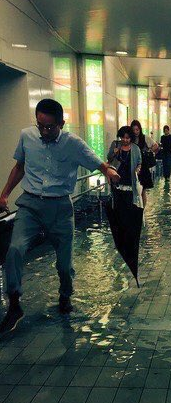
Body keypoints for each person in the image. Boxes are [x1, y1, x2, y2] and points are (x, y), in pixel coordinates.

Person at [0, 98, 120, 334]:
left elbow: (99, 164)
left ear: (61, 123)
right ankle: (14, 306)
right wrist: (4, 195)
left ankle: (65, 296)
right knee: (14, 251)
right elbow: (19, 167)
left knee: (64, 265)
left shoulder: (73, 143)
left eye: (50, 127)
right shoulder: (27, 136)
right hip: (31, 205)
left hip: (61, 209)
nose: (44, 131)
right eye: (40, 126)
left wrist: (109, 172)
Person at [107, 125, 143, 206]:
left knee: (129, 205)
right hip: (116, 181)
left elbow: (139, 162)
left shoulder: (136, 148)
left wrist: (138, 168)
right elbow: (109, 158)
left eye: (127, 138)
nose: (125, 140)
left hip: (130, 182)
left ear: (131, 138)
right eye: (122, 137)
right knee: (117, 205)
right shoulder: (115, 144)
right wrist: (114, 153)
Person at [130, 119, 158, 209]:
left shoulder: (145, 138)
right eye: (134, 130)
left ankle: (142, 210)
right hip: (133, 165)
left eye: (137, 130)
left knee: (143, 191)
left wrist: (149, 151)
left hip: (143, 166)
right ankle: (135, 208)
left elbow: (155, 145)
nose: (135, 132)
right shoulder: (130, 139)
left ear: (140, 129)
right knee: (133, 189)